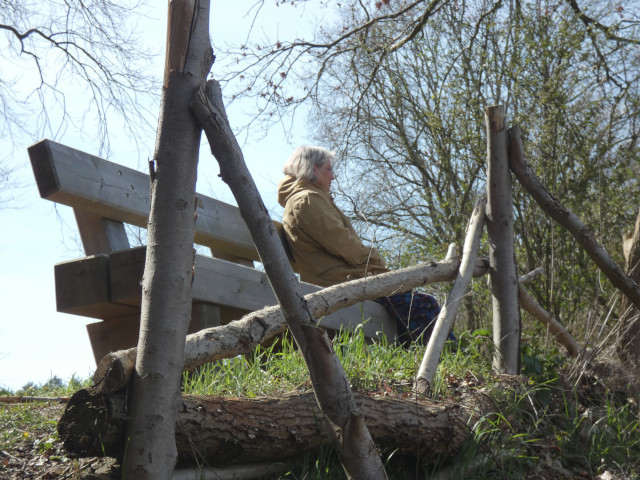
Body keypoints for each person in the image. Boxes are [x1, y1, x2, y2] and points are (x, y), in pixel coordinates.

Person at [277, 145, 442, 347]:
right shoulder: (307, 200)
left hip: (344, 279)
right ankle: (441, 362)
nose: (333, 176)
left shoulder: (311, 198)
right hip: (340, 283)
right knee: (424, 304)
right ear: (313, 169)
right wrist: (376, 260)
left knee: (412, 305)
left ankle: (421, 360)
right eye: (329, 169)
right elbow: (346, 246)